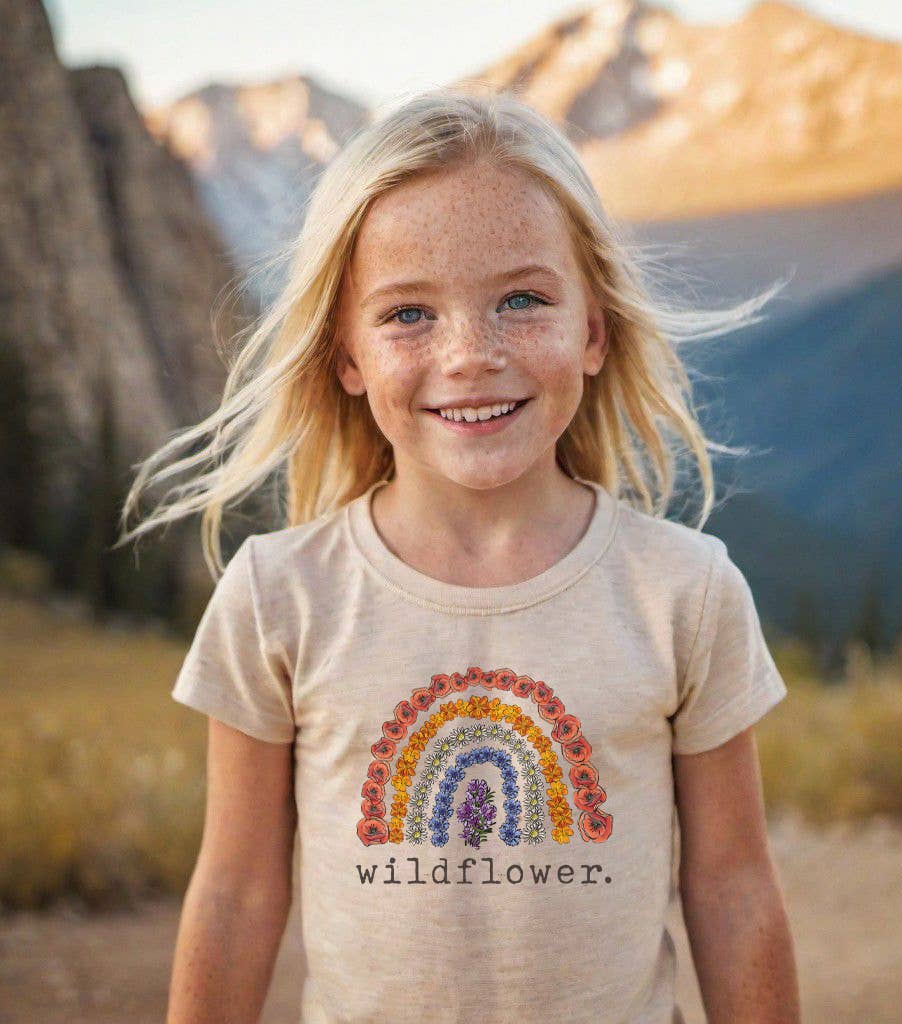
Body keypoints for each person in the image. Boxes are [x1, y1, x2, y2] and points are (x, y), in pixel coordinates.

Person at [118, 86, 800, 1024]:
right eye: (407, 315)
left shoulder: (684, 591)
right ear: (346, 355)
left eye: (522, 299)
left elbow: (732, 887)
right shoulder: (279, 597)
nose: (470, 354)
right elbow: (236, 893)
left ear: (593, 331)